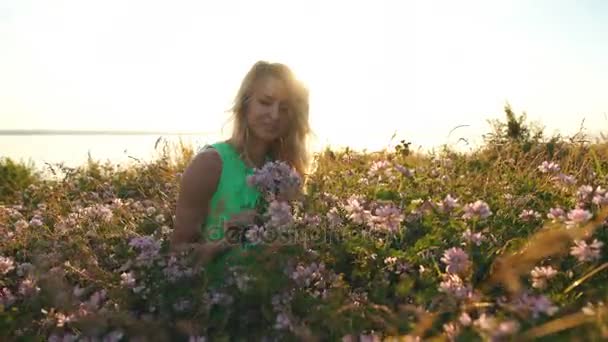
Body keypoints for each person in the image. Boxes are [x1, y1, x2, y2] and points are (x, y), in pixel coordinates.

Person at [170, 60, 311, 274]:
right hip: (215, 302)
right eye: (265, 102)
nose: (274, 115)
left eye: (284, 108)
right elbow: (176, 255)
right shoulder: (210, 164)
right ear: (245, 104)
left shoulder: (286, 172)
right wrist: (223, 242)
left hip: (266, 301)